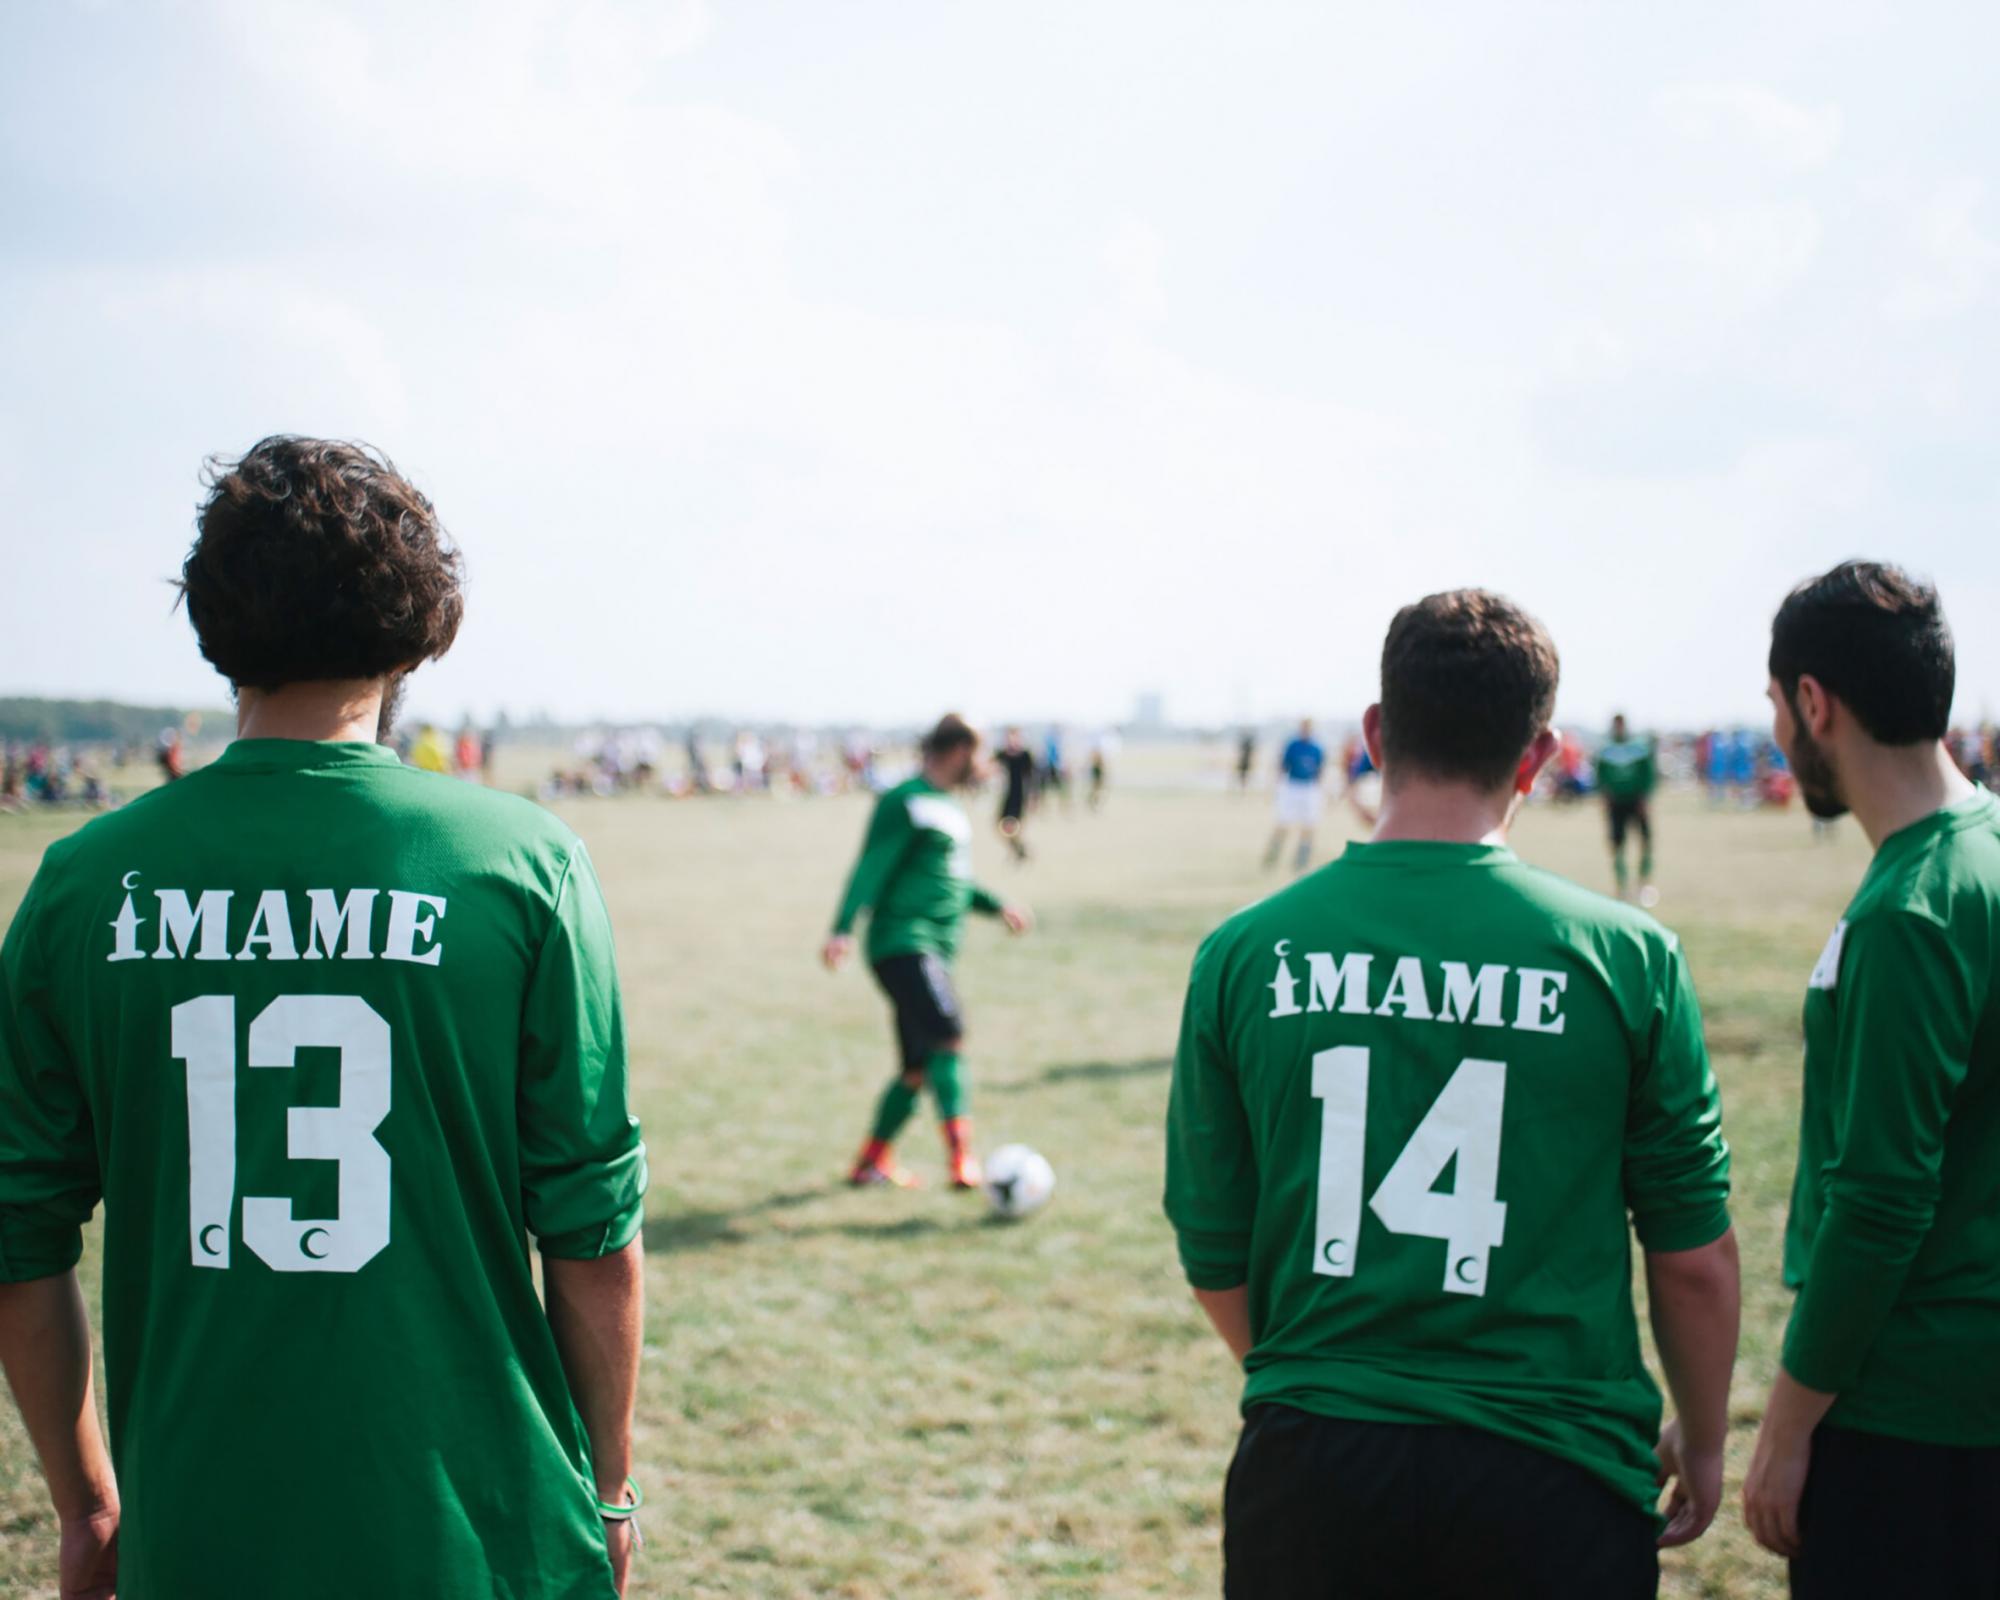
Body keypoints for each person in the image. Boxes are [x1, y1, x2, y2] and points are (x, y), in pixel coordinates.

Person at [0, 437, 649, 1599]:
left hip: (200, 1531)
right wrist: (607, 1483)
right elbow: (591, 1231)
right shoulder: (521, 865)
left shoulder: (83, 884)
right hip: (480, 1533)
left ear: (213, 626)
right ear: (419, 630)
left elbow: (16, 1238)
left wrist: (92, 1502)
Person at [1167, 589, 1739, 1600]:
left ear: (1376, 733)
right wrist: (1698, 1440)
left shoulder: (1243, 952)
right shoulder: (1625, 957)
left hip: (1313, 1467)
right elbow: (1690, 1257)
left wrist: (1318, 1377)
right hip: (1553, 1472)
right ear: (1541, 753)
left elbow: (1211, 1244)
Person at [1742, 561, 2000, 1597]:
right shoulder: (1976, 851)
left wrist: (1787, 1422)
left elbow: (1882, 1197)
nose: (1773, 731)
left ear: (1813, 702)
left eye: (1772, 705)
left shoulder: (1912, 908)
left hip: (1907, 1419)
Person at [822, 714, 1031, 1189]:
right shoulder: (904, 800)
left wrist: (998, 906)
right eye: (977, 753)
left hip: (934, 947)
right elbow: (870, 865)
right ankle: (963, 1160)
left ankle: (871, 1161)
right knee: (948, 1033)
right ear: (957, 750)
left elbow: (952, 882)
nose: (982, 763)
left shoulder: (949, 807)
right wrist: (842, 928)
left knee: (916, 1067)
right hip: (903, 942)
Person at [1598, 714, 1659, 905]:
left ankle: (1644, 885)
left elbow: (1649, 774)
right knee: (1617, 845)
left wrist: (1645, 796)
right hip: (1616, 804)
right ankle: (1621, 886)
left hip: (1636, 802)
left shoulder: (1638, 748)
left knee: (1645, 842)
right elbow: (1600, 776)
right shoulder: (1606, 749)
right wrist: (1605, 795)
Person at [1262, 718, 1326, 873]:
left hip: (1309, 788)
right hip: (1292, 786)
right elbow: (1283, 766)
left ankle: (1301, 860)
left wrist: (1321, 791)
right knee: (1283, 822)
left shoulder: (1317, 748)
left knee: (1308, 825)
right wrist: (1277, 787)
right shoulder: (1293, 745)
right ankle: (1272, 856)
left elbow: (1320, 770)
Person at [994, 726, 1037, 862]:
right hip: (1006, 794)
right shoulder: (1002, 754)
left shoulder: (1025, 755)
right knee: (999, 825)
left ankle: (1019, 851)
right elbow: (989, 767)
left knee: (1014, 827)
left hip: (1020, 795)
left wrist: (1033, 797)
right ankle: (1019, 850)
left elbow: (1032, 777)